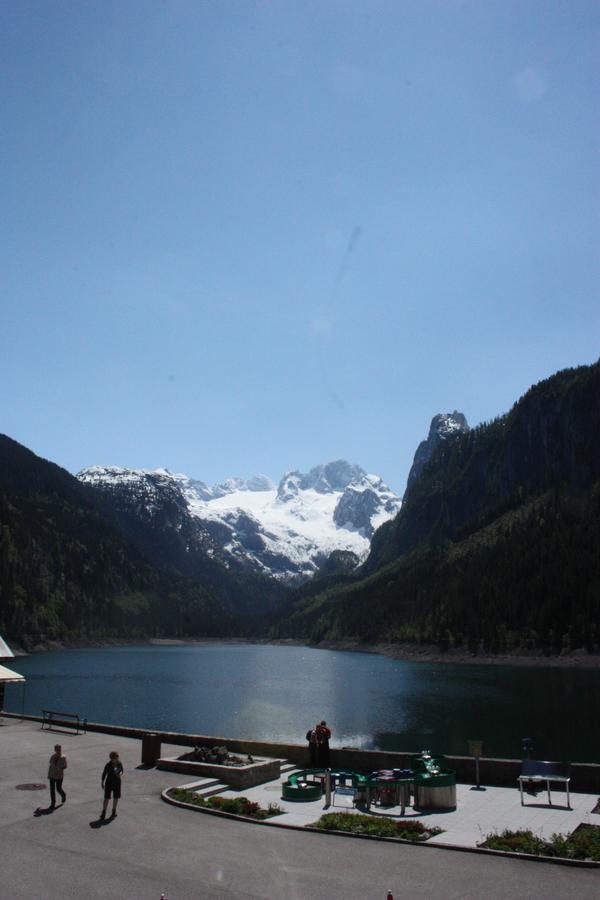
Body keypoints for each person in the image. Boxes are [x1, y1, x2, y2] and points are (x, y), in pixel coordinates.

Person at [100, 751, 124, 819]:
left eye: (117, 757)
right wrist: (102, 782)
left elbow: (122, 771)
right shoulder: (108, 765)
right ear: (111, 758)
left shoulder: (119, 763)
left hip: (117, 782)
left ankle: (114, 811)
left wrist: (120, 774)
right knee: (106, 798)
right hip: (109, 782)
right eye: (115, 758)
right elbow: (104, 773)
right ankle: (103, 812)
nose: (117, 759)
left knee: (116, 797)